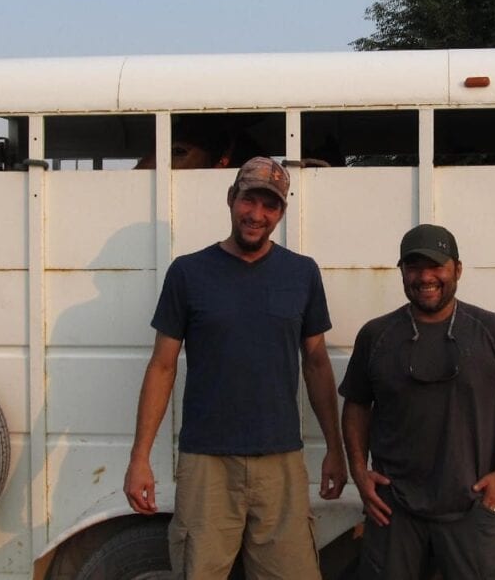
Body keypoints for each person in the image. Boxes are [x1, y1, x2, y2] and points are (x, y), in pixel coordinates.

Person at [123, 156, 348, 579]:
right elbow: (162, 367)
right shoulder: (188, 273)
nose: (257, 215)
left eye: (270, 206)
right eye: (249, 200)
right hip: (207, 462)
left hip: (281, 461)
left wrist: (335, 450)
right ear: (231, 199)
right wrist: (140, 458)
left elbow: (316, 364)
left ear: (281, 212)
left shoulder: (302, 274)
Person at [339, 224, 495, 580]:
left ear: (457, 269)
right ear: (401, 272)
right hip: (392, 510)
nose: (425, 277)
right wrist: (358, 470)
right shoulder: (376, 335)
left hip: (471, 507)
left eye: (436, 266)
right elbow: (355, 404)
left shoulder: (491, 331)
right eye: (414, 267)